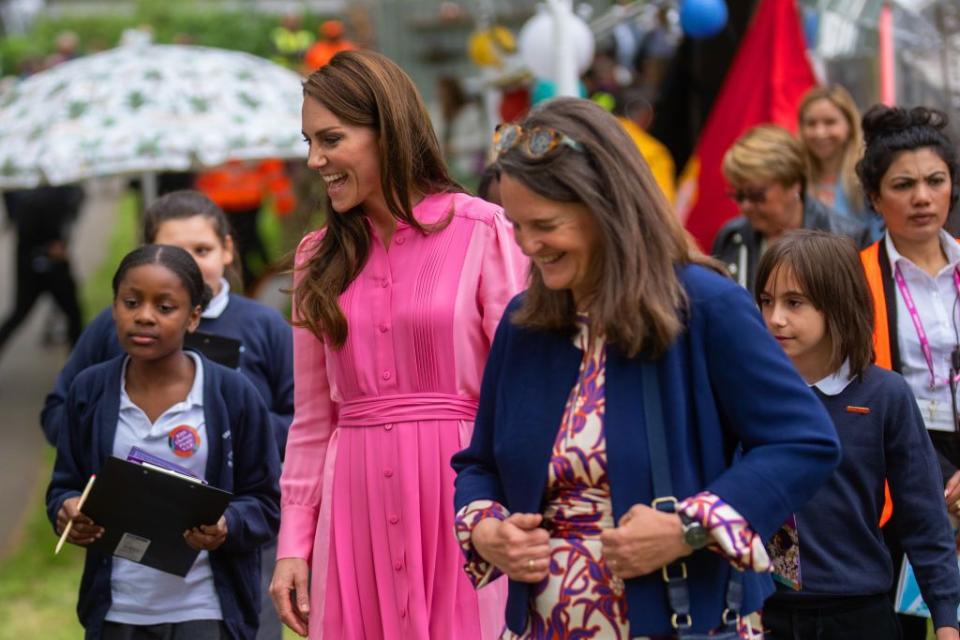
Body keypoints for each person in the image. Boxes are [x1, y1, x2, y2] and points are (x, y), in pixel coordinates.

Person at [451, 97, 841, 639]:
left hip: (683, 623)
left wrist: (689, 528)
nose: (527, 246)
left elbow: (804, 442)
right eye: (517, 226)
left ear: (604, 207)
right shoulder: (525, 322)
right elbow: (479, 464)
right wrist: (487, 527)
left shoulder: (705, 304)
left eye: (545, 224)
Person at [269, 50, 525, 640]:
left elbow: (520, 392)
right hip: (353, 504)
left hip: (465, 497)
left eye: (331, 138)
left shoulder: (483, 229)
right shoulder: (317, 258)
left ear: (388, 130)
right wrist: (293, 546)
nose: (315, 160)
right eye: (309, 141)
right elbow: (311, 422)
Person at [40, 190, 293, 640]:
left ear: (193, 316)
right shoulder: (92, 388)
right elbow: (65, 479)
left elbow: (267, 497)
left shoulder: (235, 389)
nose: (145, 318)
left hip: (206, 606)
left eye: (165, 306)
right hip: (120, 609)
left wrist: (226, 522)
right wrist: (69, 508)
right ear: (114, 306)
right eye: (131, 303)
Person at [755, 229, 960, 640]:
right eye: (766, 301)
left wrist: (947, 622)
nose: (776, 317)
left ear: (836, 303)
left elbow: (924, 518)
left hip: (858, 612)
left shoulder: (885, 394)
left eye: (794, 302)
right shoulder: (748, 391)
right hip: (763, 612)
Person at [857, 104, 960, 640]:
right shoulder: (855, 277)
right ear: (875, 198)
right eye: (903, 185)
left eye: (934, 181)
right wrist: (935, 477)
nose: (922, 197)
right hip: (894, 457)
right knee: (905, 619)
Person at [712, 124, 871, 291]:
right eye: (738, 196)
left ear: (794, 185)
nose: (745, 206)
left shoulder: (847, 239)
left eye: (756, 195)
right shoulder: (730, 238)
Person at [0, 184, 85, 362]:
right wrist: (52, 244)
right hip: (40, 262)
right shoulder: (43, 194)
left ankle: (77, 365)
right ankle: (77, 366)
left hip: (38, 260)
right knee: (71, 313)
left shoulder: (48, 191)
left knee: (72, 313)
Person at [798, 85, 883, 241]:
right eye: (811, 123)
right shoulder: (794, 179)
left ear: (849, 125)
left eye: (830, 122)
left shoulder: (868, 176)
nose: (820, 132)